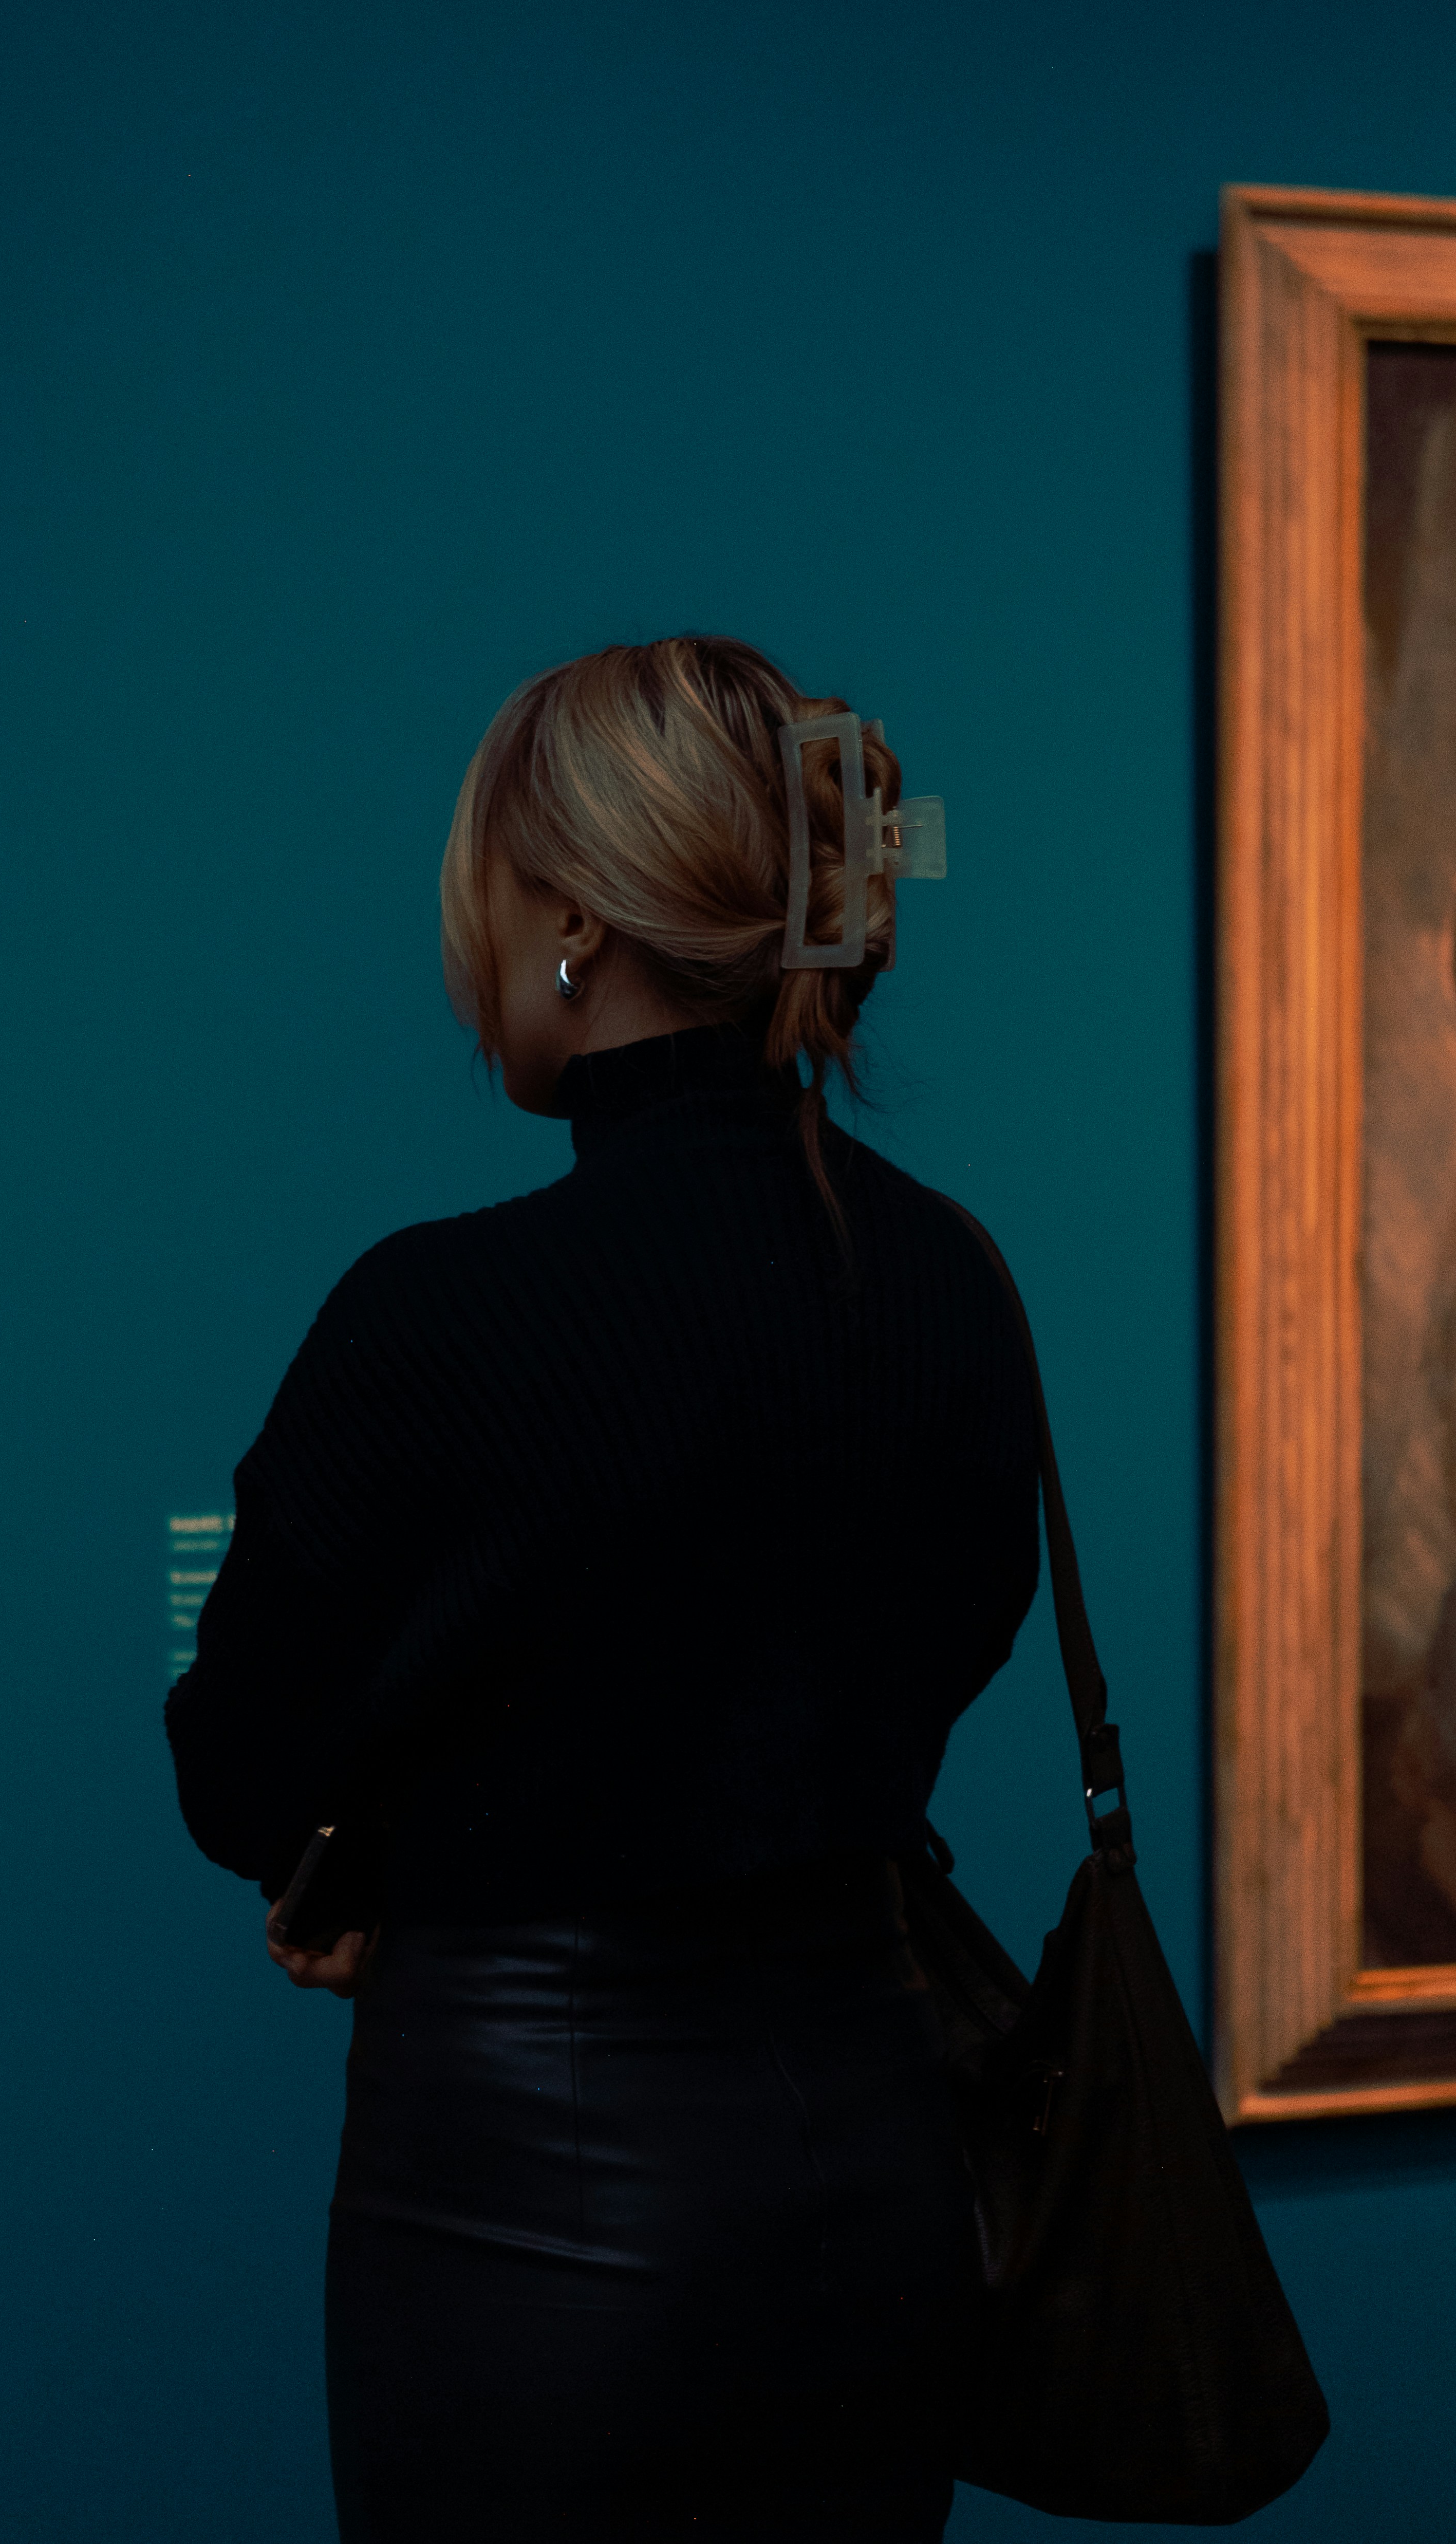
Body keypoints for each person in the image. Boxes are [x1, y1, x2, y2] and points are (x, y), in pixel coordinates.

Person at [165, 635, 1038, 2543]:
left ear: (574, 918)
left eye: (487, 890)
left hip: (531, 2207)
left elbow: (240, 1766)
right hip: (887, 2181)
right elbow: (926, 1652)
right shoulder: (951, 1279)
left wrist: (400, 1866)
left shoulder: (438, 1313)